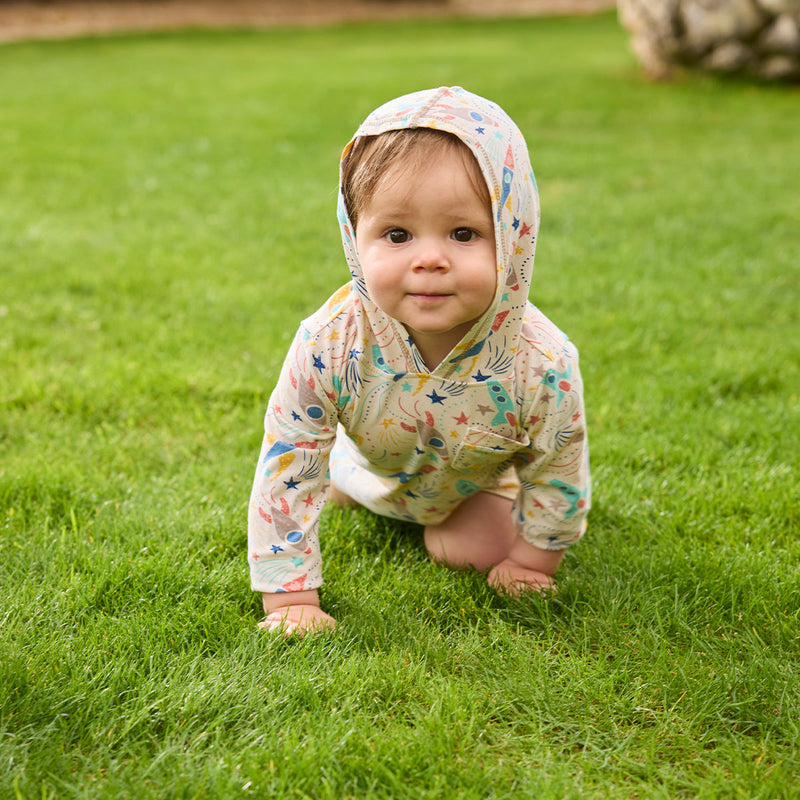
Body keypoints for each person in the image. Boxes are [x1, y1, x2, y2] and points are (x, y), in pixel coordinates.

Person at [248, 86, 590, 636]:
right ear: (354, 237)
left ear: (513, 235)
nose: (429, 259)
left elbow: (559, 468)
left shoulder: (540, 362)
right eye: (397, 234)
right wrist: (291, 600)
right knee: (327, 474)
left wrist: (531, 561)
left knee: (470, 548)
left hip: (474, 485)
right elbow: (288, 462)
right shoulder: (328, 345)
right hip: (375, 459)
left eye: (463, 233)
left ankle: (431, 510)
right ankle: (350, 480)